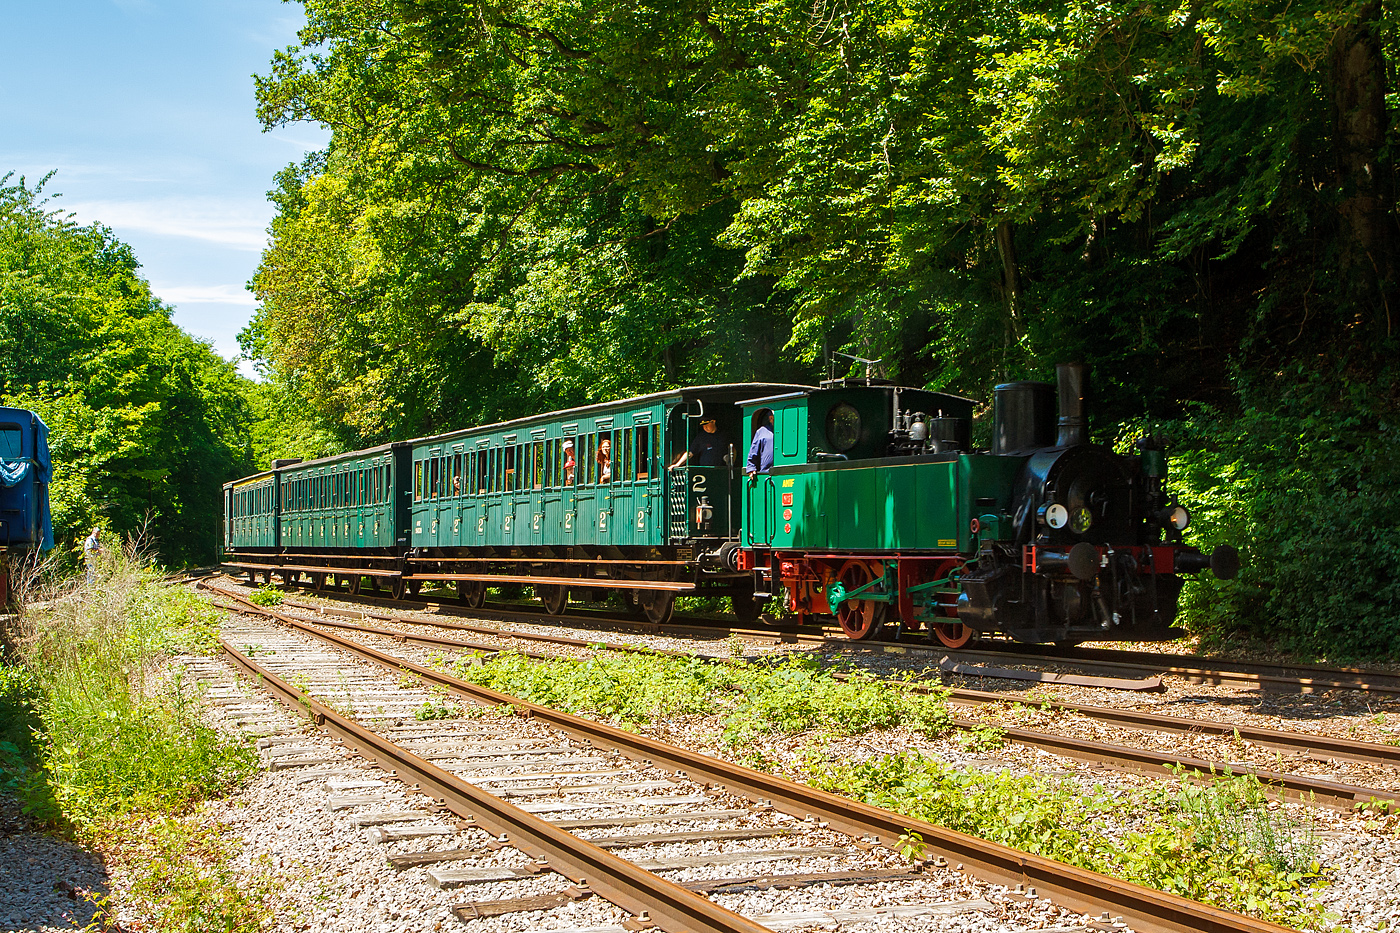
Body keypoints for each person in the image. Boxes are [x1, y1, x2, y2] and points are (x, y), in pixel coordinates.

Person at [746, 410, 775, 478]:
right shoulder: (761, 432)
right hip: (766, 473)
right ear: (771, 418)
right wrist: (751, 468)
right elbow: (753, 450)